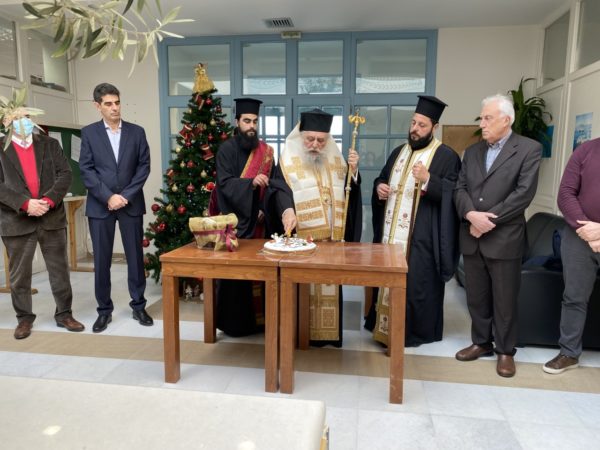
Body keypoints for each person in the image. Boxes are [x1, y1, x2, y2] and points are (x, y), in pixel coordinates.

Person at [454, 94, 542, 378]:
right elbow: (460, 188)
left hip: (504, 238)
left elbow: (523, 194)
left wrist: (485, 221)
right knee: (476, 297)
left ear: (506, 119)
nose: (482, 123)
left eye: (488, 118)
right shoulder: (472, 152)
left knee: (504, 300)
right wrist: (471, 215)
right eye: (482, 117)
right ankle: (481, 342)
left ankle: (505, 350)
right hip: (472, 235)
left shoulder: (529, 149)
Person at [365, 95, 461, 348]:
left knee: (418, 284)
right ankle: (381, 327)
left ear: (434, 127)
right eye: (413, 123)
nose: (415, 129)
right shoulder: (399, 152)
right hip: (390, 235)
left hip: (422, 238)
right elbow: (382, 177)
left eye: (422, 125)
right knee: (386, 280)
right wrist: (380, 187)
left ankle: (412, 333)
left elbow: (455, 194)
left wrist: (429, 179)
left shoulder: (446, 156)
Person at [267, 109, 362, 347]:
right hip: (303, 241)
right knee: (302, 291)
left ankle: (329, 336)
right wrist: (287, 210)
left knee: (330, 286)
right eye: (310, 139)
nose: (315, 145)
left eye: (321, 140)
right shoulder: (287, 160)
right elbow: (278, 189)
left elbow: (350, 193)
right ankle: (301, 333)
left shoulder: (336, 158)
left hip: (332, 241)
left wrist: (354, 172)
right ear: (301, 136)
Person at [0, 99, 84, 339]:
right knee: (19, 276)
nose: (24, 122)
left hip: (51, 218)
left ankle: (64, 314)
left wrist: (47, 201)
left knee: (60, 271)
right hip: (16, 222)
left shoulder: (50, 144)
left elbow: (65, 174)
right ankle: (24, 319)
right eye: (18, 118)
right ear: (6, 122)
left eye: (27, 117)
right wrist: (25, 203)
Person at [79, 83, 152, 333]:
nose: (114, 108)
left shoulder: (137, 132)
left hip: (131, 204)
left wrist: (125, 196)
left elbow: (144, 167)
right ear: (97, 106)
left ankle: (139, 306)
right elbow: (86, 170)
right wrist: (108, 197)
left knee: (135, 258)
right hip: (100, 206)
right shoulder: (88, 133)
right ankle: (104, 311)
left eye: (117, 102)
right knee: (102, 261)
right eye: (108, 104)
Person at [214, 97, 274, 337]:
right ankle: (235, 325)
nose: (251, 126)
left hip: (259, 223)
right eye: (247, 121)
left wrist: (263, 207)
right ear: (237, 121)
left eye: (255, 121)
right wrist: (250, 184)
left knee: (260, 274)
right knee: (235, 279)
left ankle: (261, 323)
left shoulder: (266, 152)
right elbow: (224, 185)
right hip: (235, 224)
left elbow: (273, 185)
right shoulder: (226, 150)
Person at [543, 137, 600, 374]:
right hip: (579, 237)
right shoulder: (586, 149)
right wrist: (586, 229)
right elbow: (565, 193)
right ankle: (569, 353)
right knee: (574, 297)